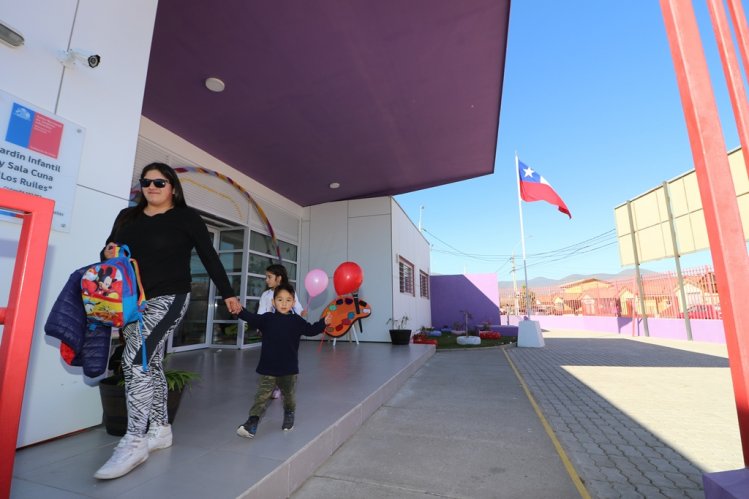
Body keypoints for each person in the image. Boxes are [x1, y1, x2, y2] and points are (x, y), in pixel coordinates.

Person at [94, 162, 241, 480]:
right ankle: (160, 429)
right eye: (146, 182)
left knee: (135, 360)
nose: (152, 187)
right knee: (152, 362)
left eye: (159, 182)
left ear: (173, 186)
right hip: (132, 302)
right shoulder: (127, 217)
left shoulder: (186, 218)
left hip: (170, 297)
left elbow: (209, 256)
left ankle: (135, 440)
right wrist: (107, 254)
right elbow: (109, 250)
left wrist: (228, 293)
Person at [235, 283, 331, 438]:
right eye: (280, 300)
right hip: (268, 368)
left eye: (288, 300)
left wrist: (323, 323)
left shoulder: (297, 321)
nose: (284, 303)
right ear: (273, 302)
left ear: (293, 302)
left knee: (289, 396)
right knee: (261, 397)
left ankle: (289, 414)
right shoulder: (267, 319)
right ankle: (251, 423)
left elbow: (311, 330)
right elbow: (252, 318)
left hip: (288, 369)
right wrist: (240, 310)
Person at [257, 264, 306, 399]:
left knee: (284, 358)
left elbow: (297, 307)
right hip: (270, 332)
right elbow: (261, 313)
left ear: (278, 278)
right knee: (271, 358)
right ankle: (271, 383)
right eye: (266, 277)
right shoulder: (265, 295)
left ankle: (281, 385)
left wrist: (301, 312)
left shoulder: (290, 293)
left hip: (286, 332)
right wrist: (260, 327)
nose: (266, 280)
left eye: (269, 277)